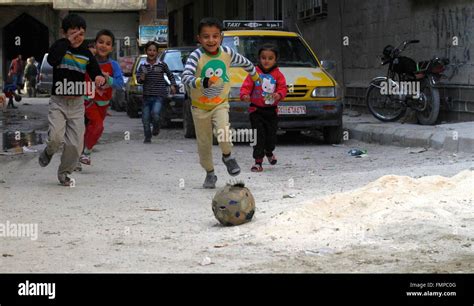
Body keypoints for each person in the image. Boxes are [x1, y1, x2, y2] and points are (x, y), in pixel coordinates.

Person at [182, 17, 260, 188]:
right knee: (204, 144)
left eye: (215, 36)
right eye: (206, 36)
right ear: (199, 38)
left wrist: (255, 76)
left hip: (220, 104)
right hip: (199, 108)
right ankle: (210, 173)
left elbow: (246, 63)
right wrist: (201, 81)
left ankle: (228, 156)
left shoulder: (227, 53)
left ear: (221, 37)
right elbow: (185, 76)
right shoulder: (196, 56)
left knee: (224, 131)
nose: (211, 40)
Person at [38, 13, 105, 186]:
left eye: (81, 34)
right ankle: (48, 152)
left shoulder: (86, 53)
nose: (78, 38)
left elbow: (95, 71)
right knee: (55, 138)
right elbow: (52, 60)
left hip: (76, 105)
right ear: (64, 33)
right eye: (73, 33)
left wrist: (99, 78)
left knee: (75, 145)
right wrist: (67, 42)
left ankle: (64, 173)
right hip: (58, 102)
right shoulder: (59, 47)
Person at [78, 29, 124, 167]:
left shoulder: (114, 65)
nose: (104, 46)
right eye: (101, 42)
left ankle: (78, 157)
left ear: (112, 48)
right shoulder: (87, 62)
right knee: (97, 126)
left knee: (91, 130)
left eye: (108, 43)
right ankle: (86, 153)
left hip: (103, 104)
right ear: (95, 44)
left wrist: (108, 80)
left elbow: (120, 83)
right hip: (88, 102)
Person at [240, 44, 287, 172]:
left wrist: (279, 94)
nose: (266, 61)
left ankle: (269, 151)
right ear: (259, 58)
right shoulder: (254, 73)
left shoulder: (278, 75)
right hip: (256, 110)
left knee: (271, 137)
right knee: (258, 136)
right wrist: (244, 95)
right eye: (263, 57)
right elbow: (246, 86)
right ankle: (258, 162)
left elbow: (283, 88)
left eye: (270, 58)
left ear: (275, 60)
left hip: (272, 111)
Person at [137, 41, 177, 143]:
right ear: (146, 51)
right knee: (145, 119)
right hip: (146, 96)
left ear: (157, 52)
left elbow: (170, 75)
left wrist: (172, 85)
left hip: (159, 95)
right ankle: (147, 137)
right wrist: (142, 77)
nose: (152, 52)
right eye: (149, 50)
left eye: (154, 50)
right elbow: (139, 80)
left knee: (155, 113)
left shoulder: (162, 65)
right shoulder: (142, 66)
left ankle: (156, 127)